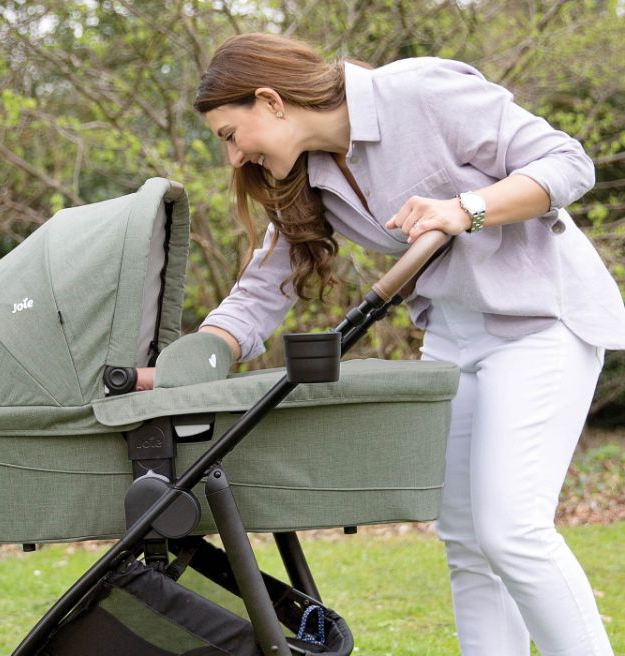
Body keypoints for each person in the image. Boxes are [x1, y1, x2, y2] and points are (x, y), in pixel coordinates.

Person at [136, 33, 625, 655]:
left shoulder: (418, 91)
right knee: (467, 541)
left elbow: (567, 162)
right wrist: (192, 362)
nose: (234, 157)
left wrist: (466, 207)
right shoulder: (306, 178)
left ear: (270, 100)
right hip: (453, 338)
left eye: (231, 134)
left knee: (511, 532)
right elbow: (262, 289)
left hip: (541, 322)